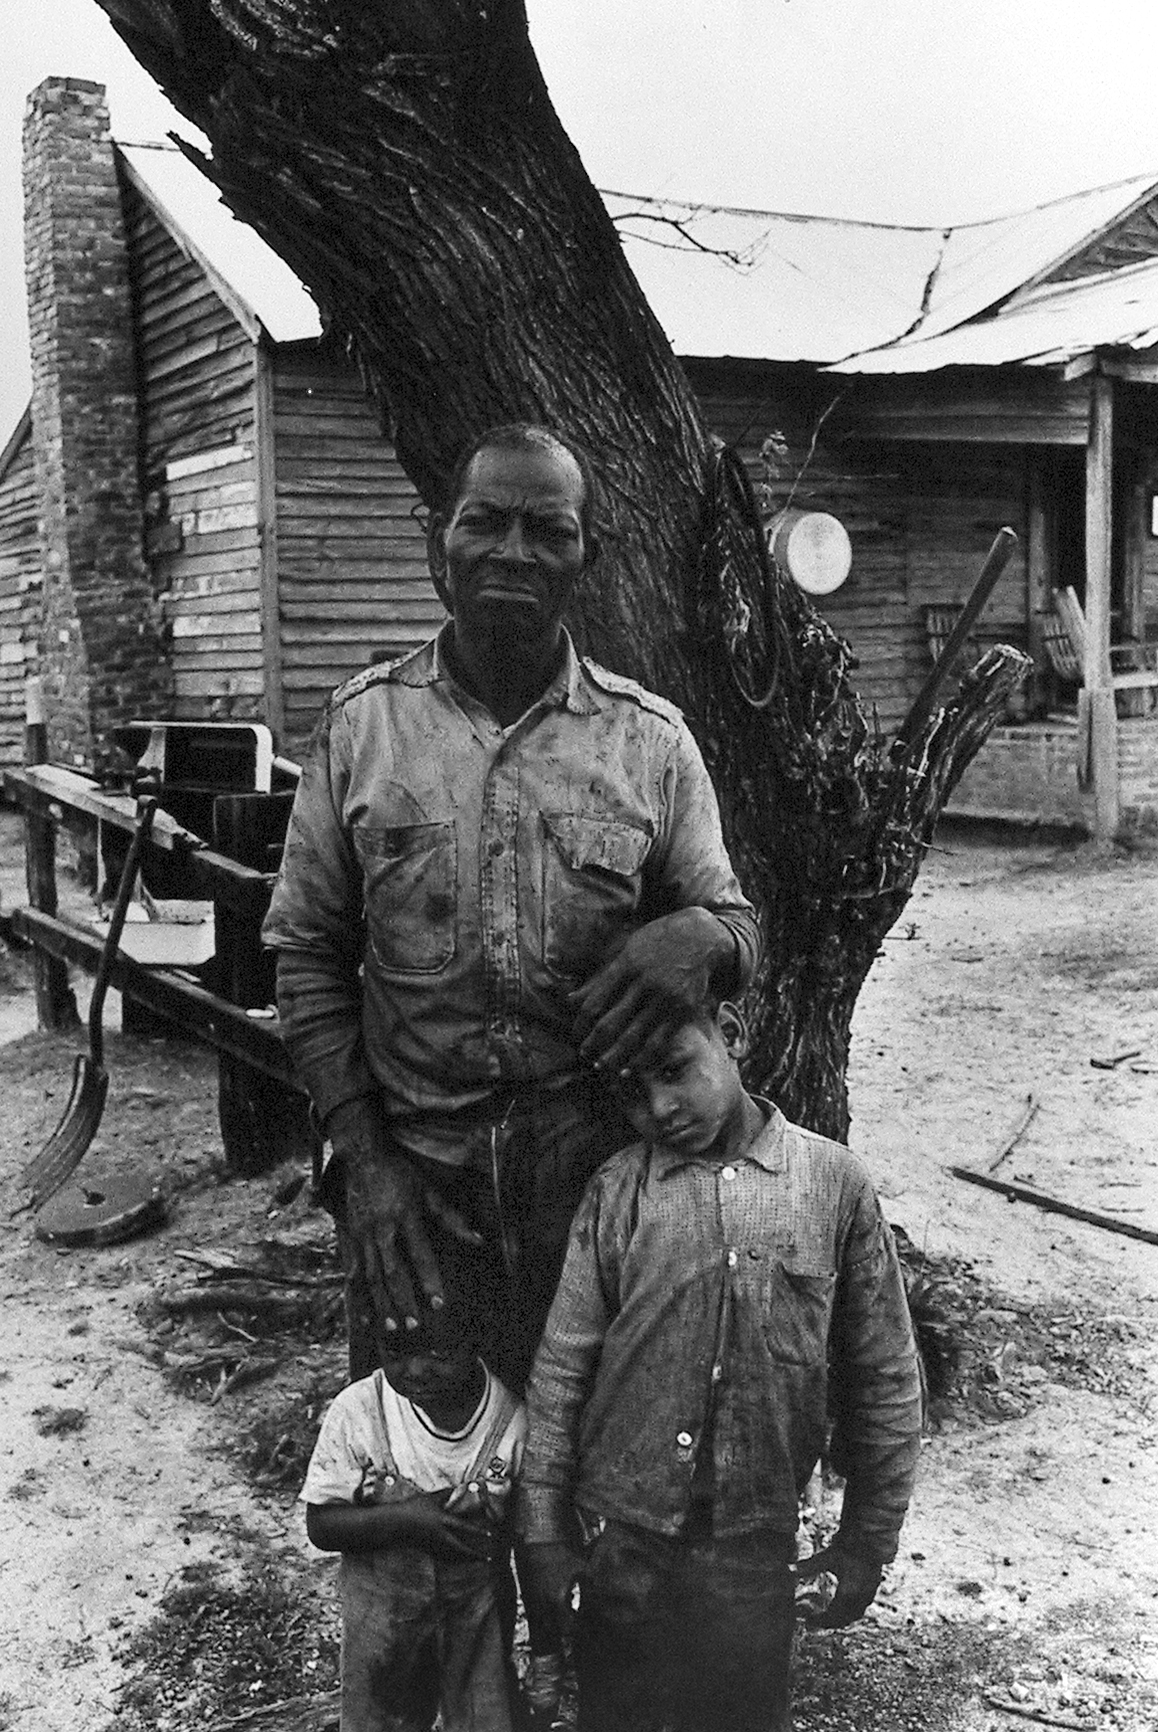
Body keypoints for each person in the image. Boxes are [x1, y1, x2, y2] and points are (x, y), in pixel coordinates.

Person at [263, 422, 759, 1387]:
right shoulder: (362, 729)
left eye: (550, 530)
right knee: (422, 1458)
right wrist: (364, 1163)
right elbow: (306, 956)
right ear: (438, 542)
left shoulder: (650, 743)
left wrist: (700, 937)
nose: (514, 552)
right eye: (485, 522)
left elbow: (738, 926)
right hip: (416, 1186)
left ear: (587, 558)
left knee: (594, 1451)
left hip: (602, 1178)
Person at [516, 997, 923, 1732]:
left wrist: (867, 1542)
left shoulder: (833, 1185)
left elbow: (884, 1378)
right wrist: (544, 1528)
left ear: (731, 1034)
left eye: (675, 1071)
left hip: (755, 1543)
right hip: (622, 1539)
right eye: (633, 1092)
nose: (660, 1107)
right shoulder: (619, 1190)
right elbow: (562, 1369)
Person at [301, 1268, 537, 1732]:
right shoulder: (360, 1411)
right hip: (382, 1623)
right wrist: (407, 1520)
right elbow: (321, 1525)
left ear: (476, 1338)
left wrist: (545, 1647)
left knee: (485, 1718)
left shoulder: (511, 1424)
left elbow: (528, 1540)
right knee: (379, 1720)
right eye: (397, 1352)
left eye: (438, 1352)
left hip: (476, 1620)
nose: (415, 1370)